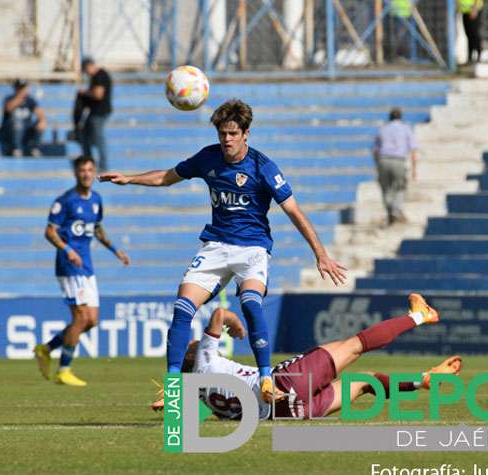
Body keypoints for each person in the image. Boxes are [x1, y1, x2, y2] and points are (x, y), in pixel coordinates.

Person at [100, 99, 347, 408]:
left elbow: (294, 211)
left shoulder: (263, 167)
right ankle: (173, 386)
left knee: (251, 304)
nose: (227, 139)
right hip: (216, 246)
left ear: (246, 133)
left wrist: (320, 253)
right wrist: (129, 178)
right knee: (182, 307)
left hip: (253, 249)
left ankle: (267, 379)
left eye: (232, 133)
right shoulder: (208, 158)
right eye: (222, 133)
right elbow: (167, 176)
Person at [180, 294, 460, 420]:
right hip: (286, 383)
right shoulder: (204, 359)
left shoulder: (205, 398)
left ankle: (421, 380)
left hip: (288, 413)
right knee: (354, 345)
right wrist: (236, 325)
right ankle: (420, 315)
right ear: (195, 353)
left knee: (366, 382)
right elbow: (218, 314)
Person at [33, 156, 130, 387]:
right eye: (82, 170)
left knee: (91, 321)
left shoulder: (96, 200)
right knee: (80, 317)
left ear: (94, 172)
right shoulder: (65, 201)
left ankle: (46, 349)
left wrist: (116, 251)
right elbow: (49, 232)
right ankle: (63, 371)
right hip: (69, 266)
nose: (86, 174)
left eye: (89, 170)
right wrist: (67, 249)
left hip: (86, 266)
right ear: (76, 173)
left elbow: (96, 229)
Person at [373, 107, 417, 225]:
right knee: (400, 186)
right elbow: (413, 150)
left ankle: (389, 209)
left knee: (386, 187)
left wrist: (377, 164)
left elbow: (375, 150)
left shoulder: (382, 129)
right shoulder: (406, 129)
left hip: (383, 160)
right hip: (398, 160)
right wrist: (414, 169)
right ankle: (395, 210)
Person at [74, 57, 112, 170]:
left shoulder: (100, 75)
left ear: (89, 66)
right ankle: (88, 163)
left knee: (99, 139)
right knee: (85, 137)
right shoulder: (96, 77)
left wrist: (84, 92)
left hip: (99, 113)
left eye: (86, 70)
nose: (86, 73)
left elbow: (98, 94)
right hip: (94, 113)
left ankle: (103, 166)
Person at [1, 79, 47, 157]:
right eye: (20, 88)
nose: (22, 90)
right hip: (11, 129)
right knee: (17, 123)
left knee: (42, 124)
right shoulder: (9, 98)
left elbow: (40, 114)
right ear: (15, 88)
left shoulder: (30, 100)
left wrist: (42, 121)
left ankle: (35, 149)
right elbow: (8, 109)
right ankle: (17, 149)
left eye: (23, 87)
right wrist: (19, 99)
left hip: (26, 128)